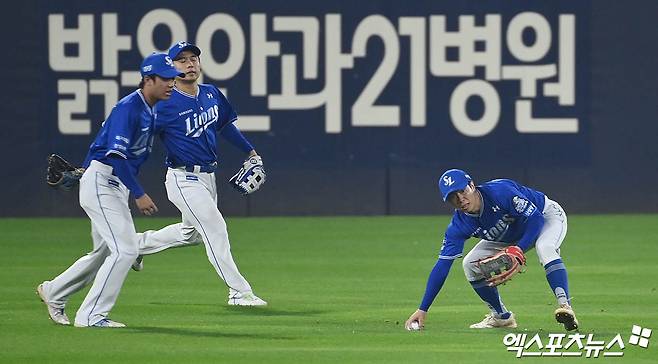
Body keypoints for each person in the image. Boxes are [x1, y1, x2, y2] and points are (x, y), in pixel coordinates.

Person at [36, 53, 184, 328]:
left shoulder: (151, 108)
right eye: (165, 78)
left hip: (111, 184)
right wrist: (138, 192)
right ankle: (91, 316)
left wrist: (87, 168)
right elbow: (116, 156)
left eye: (172, 79)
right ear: (148, 79)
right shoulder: (130, 108)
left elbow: (103, 146)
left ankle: (54, 291)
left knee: (105, 252)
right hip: (104, 183)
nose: (170, 84)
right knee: (125, 251)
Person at [131, 41, 267, 306]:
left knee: (190, 233)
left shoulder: (211, 93)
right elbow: (133, 134)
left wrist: (250, 152)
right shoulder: (163, 105)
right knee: (215, 228)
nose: (190, 63)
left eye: (193, 58)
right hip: (183, 178)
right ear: (170, 68)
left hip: (208, 178)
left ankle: (136, 245)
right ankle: (239, 292)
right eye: (182, 60)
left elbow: (225, 126)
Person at [405, 169, 579, 331]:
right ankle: (502, 317)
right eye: (453, 198)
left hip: (545, 216)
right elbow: (442, 266)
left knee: (545, 247)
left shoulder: (500, 191)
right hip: (509, 235)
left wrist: (519, 249)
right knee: (470, 265)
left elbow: (536, 220)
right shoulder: (458, 226)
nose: (461, 200)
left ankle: (565, 307)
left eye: (463, 191)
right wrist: (423, 309)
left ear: (472, 185)